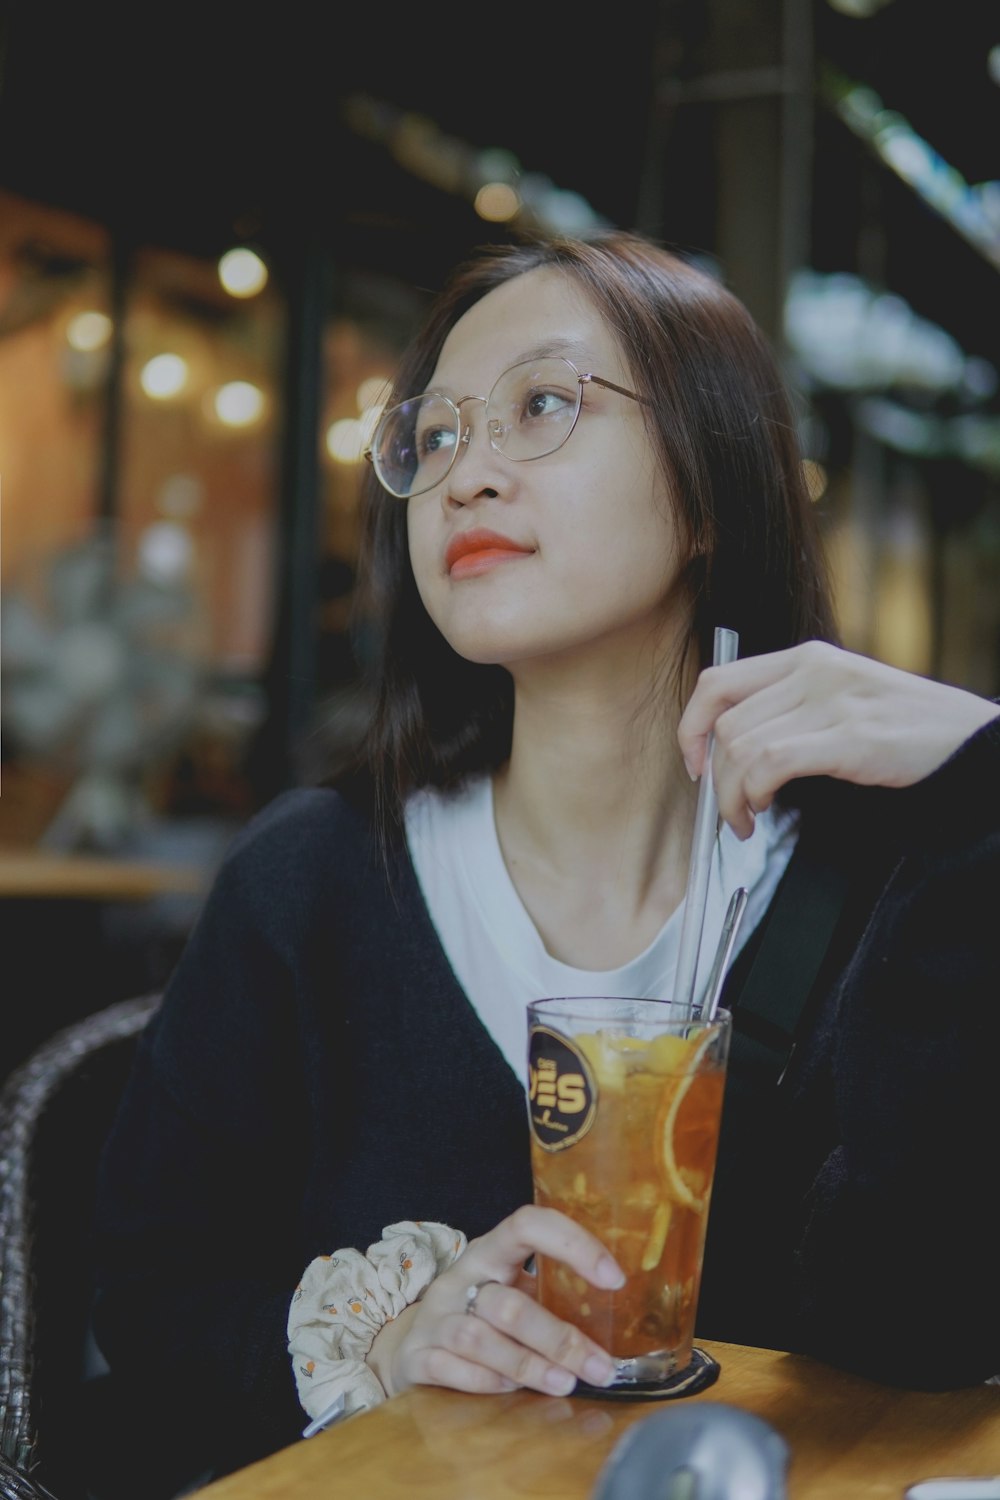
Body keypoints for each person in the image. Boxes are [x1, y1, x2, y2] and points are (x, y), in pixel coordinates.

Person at [89, 229, 1000, 1492]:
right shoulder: (311, 881)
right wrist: (394, 1341)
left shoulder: (890, 872)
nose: (464, 475)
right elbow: (143, 1298)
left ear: (708, 478)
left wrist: (982, 797)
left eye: (542, 407)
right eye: (438, 435)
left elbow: (930, 1328)